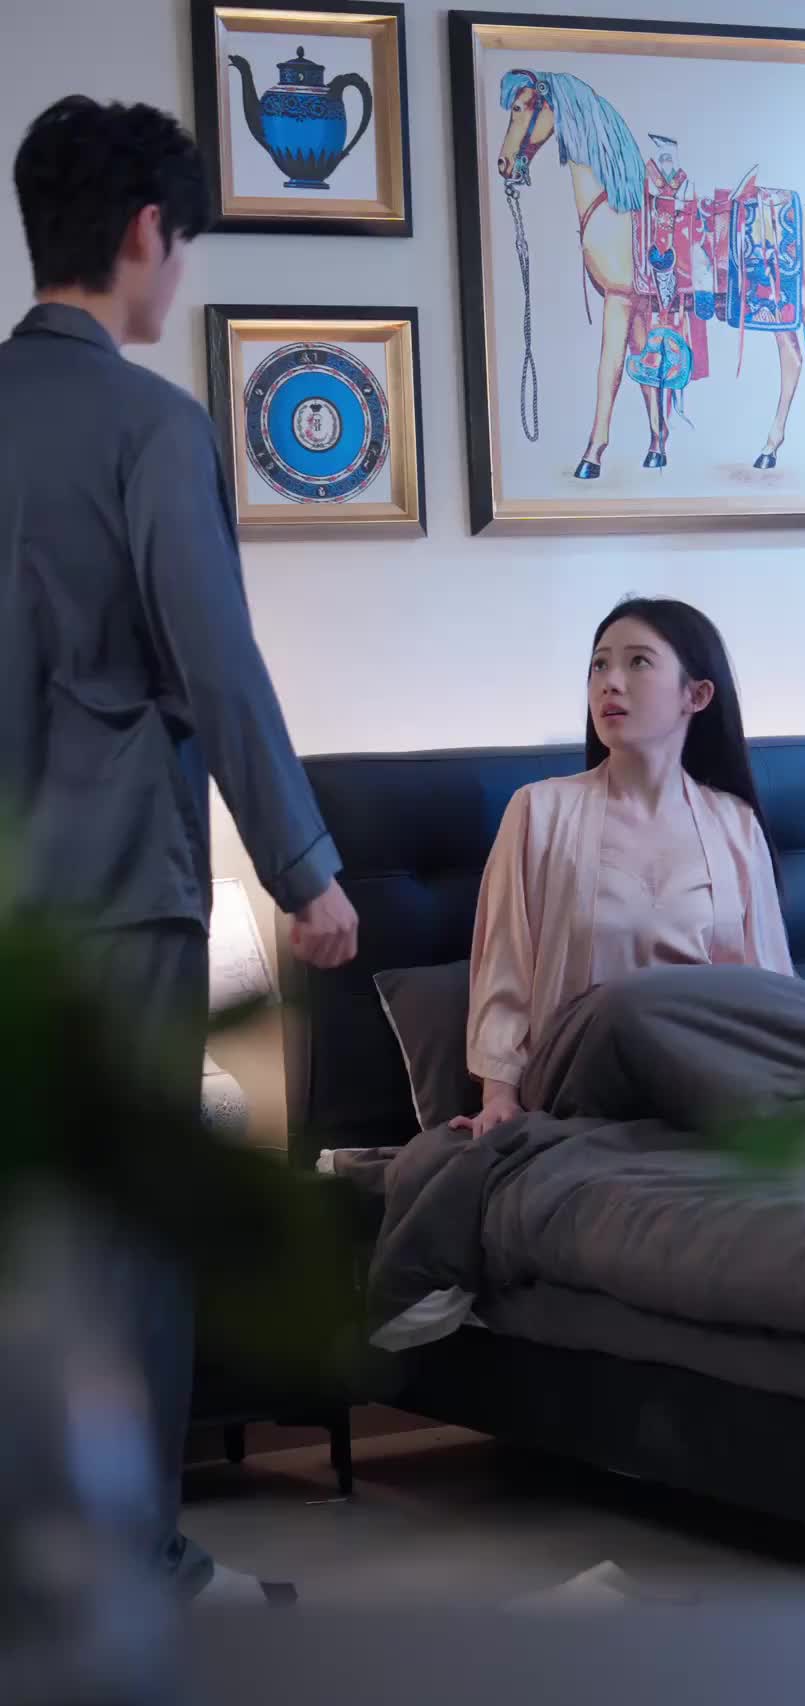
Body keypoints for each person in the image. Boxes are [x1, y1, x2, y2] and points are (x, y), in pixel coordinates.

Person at [0, 96, 359, 1601]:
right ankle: (135, 1570)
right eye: (185, 242)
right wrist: (304, 867)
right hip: (108, 901)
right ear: (149, 232)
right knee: (128, 1241)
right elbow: (219, 663)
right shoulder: (153, 425)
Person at [455, 597, 792, 1139]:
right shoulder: (539, 811)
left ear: (696, 695)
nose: (609, 683)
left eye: (637, 662)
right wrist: (498, 1096)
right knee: (625, 1008)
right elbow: (505, 971)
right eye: (598, 665)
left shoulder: (735, 823)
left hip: (710, 1075)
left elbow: (771, 986)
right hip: (585, 1080)